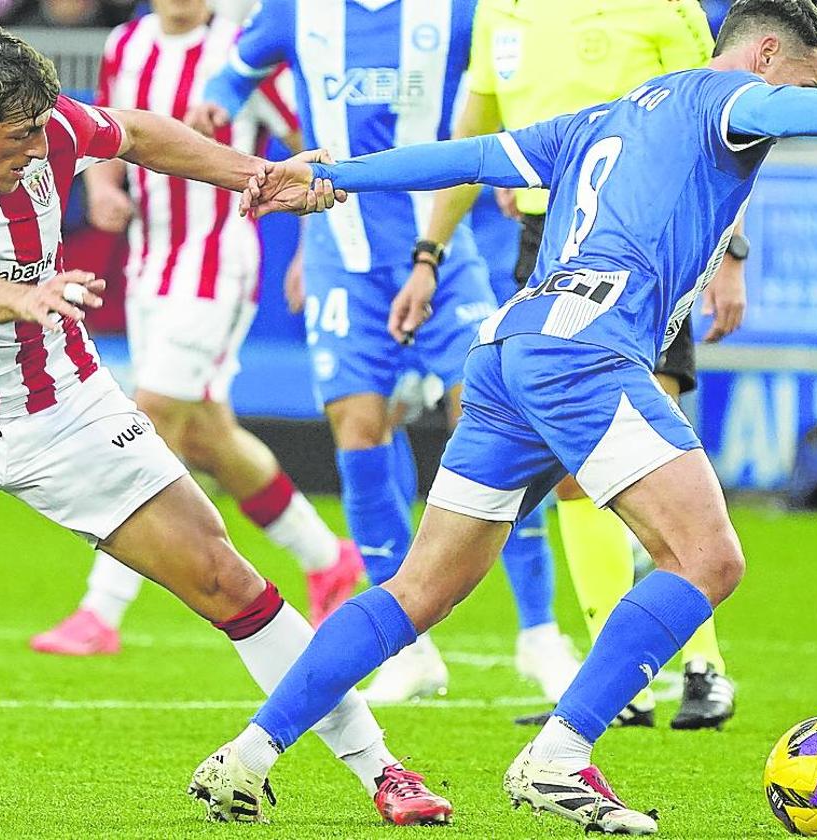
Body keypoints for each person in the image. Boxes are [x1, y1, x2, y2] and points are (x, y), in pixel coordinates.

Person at [190, 0, 817, 830]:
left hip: (511, 347)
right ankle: (560, 757)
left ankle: (248, 755)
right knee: (707, 557)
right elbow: (769, 105)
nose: (795, 109)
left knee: (419, 590)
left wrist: (333, 175)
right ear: (764, 56)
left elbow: (465, 156)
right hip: (585, 351)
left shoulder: (603, 118)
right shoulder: (725, 98)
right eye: (807, 82)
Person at [0, 18, 442, 826]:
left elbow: (138, 132)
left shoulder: (51, 129)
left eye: (44, 130)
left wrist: (257, 173)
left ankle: (384, 770)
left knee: (224, 578)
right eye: (19, 136)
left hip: (66, 403)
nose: (40, 150)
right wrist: (20, 298)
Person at [185, 0, 581, 704]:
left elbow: (504, 80)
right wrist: (214, 108)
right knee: (359, 429)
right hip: (343, 257)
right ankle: (410, 648)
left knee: (494, 421)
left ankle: (540, 633)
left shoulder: (458, 12)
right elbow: (233, 76)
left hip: (443, 250)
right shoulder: (295, 13)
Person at [433, 0, 744, 730]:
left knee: (650, 457)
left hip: (647, 245)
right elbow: (475, 134)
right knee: (575, 474)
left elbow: (725, 135)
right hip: (546, 240)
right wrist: (429, 252)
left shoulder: (666, 11)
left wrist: (732, 254)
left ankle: (704, 667)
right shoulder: (498, 13)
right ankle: (625, 678)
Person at [30, 0, 363, 657]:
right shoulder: (127, 45)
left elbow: (313, 145)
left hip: (216, 267)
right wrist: (101, 189)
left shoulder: (244, 53)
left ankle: (101, 611)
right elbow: (108, 133)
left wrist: (311, 247)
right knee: (208, 435)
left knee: (150, 421)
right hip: (150, 264)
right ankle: (327, 558)